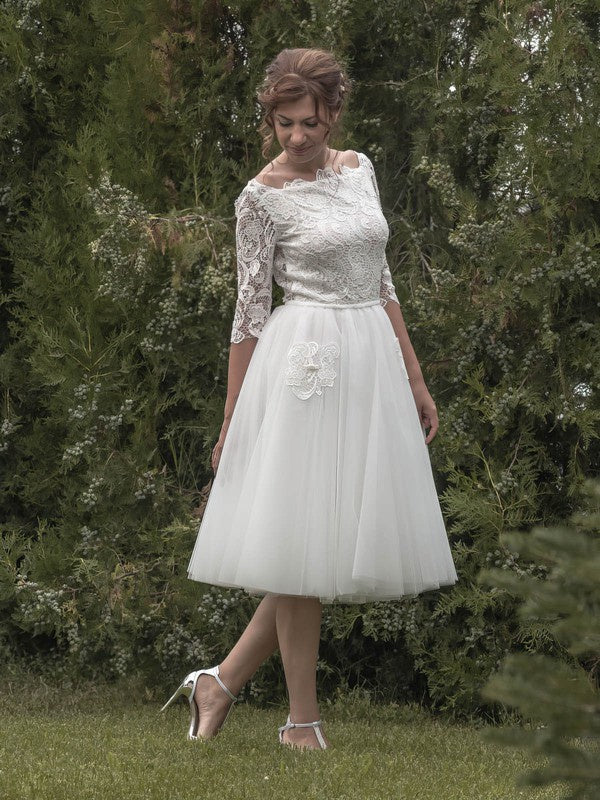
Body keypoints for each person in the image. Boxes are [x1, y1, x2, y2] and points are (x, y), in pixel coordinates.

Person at [161, 47, 458, 751]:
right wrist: (233, 419)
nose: (297, 136)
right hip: (305, 367)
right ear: (270, 118)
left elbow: (382, 281)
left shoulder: (359, 170)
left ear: (335, 115)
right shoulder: (259, 198)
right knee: (301, 543)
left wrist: (415, 379)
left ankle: (219, 684)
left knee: (316, 546)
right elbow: (248, 313)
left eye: (311, 123)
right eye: (284, 123)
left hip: (370, 364)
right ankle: (299, 723)